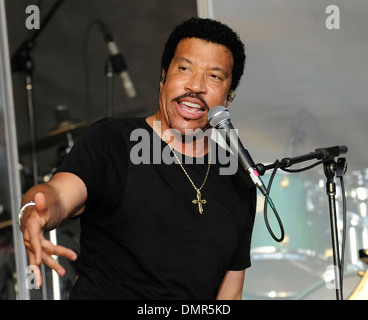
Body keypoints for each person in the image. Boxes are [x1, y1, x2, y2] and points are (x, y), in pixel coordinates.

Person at [18, 17, 256, 300]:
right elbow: (56, 194)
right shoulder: (113, 141)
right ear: (163, 76)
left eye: (214, 76)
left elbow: (229, 297)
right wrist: (33, 210)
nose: (196, 86)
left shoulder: (238, 179)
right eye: (184, 69)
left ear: (228, 98)